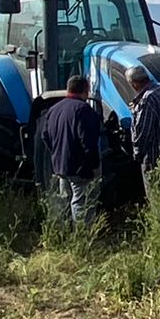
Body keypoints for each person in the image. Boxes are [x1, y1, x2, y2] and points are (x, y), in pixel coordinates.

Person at [38, 75, 102, 228]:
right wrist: (94, 164)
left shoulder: (53, 110)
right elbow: (88, 141)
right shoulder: (84, 110)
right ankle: (82, 237)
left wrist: (57, 153)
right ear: (85, 91)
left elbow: (45, 136)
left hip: (60, 165)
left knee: (64, 201)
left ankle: (63, 234)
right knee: (82, 203)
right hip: (80, 167)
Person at [125, 66, 160, 194]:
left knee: (155, 193)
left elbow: (143, 131)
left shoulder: (148, 98)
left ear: (134, 84)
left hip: (153, 156)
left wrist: (137, 152)